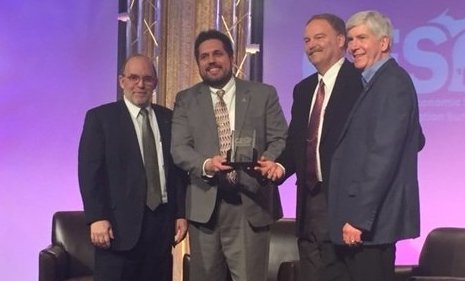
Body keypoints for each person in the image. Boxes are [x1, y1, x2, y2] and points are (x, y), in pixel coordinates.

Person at [170, 29, 288, 281]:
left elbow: (280, 137)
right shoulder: (186, 100)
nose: (211, 60)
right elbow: (178, 148)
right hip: (205, 207)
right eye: (204, 56)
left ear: (231, 57)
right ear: (198, 63)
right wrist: (206, 164)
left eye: (217, 54)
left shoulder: (263, 94)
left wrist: (267, 159)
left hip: (250, 202)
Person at [257, 14, 362, 281]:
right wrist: (280, 166)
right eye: (306, 39)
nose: (311, 44)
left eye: (319, 37)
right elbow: (297, 141)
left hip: (344, 204)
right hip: (308, 204)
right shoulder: (304, 89)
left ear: (341, 40)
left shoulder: (361, 81)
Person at [327, 10, 425, 281]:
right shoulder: (376, 83)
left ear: (383, 43)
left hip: (370, 225)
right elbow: (416, 139)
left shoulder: (392, 83)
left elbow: (382, 156)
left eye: (361, 38)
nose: (353, 46)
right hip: (367, 222)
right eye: (350, 39)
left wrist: (359, 218)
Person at [78, 54, 188, 281]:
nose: (140, 84)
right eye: (133, 77)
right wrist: (96, 217)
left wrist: (180, 214)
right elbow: (90, 172)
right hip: (116, 230)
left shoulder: (169, 119)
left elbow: (177, 171)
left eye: (147, 79)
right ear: (122, 81)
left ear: (155, 83)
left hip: (160, 228)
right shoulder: (101, 118)